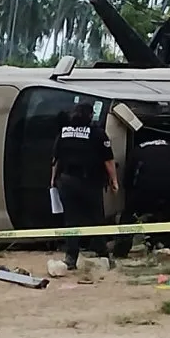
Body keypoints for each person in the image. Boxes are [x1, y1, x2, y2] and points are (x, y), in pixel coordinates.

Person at [50, 102, 119, 270]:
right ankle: (102, 254)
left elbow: (56, 160)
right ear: (90, 115)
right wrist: (114, 181)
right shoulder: (97, 134)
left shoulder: (64, 133)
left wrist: (52, 180)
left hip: (66, 181)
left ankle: (71, 258)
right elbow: (108, 160)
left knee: (71, 220)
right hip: (89, 181)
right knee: (96, 218)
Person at [115, 131, 170, 255]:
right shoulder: (169, 146)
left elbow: (128, 177)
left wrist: (129, 196)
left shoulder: (137, 150)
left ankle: (121, 250)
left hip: (146, 187)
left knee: (129, 216)